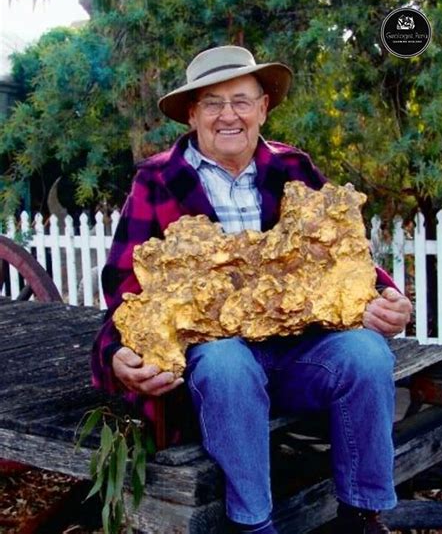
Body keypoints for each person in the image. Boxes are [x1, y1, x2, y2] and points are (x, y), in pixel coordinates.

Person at [92, 45, 413, 534]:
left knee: (367, 355)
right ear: (193, 113)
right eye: (213, 103)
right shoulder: (158, 181)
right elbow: (124, 286)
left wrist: (385, 298)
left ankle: (362, 513)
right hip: (219, 364)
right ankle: (254, 524)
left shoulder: (294, 169)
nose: (228, 116)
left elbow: (344, 254)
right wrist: (118, 351)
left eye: (241, 100)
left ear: (263, 107)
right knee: (226, 362)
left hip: (299, 352)